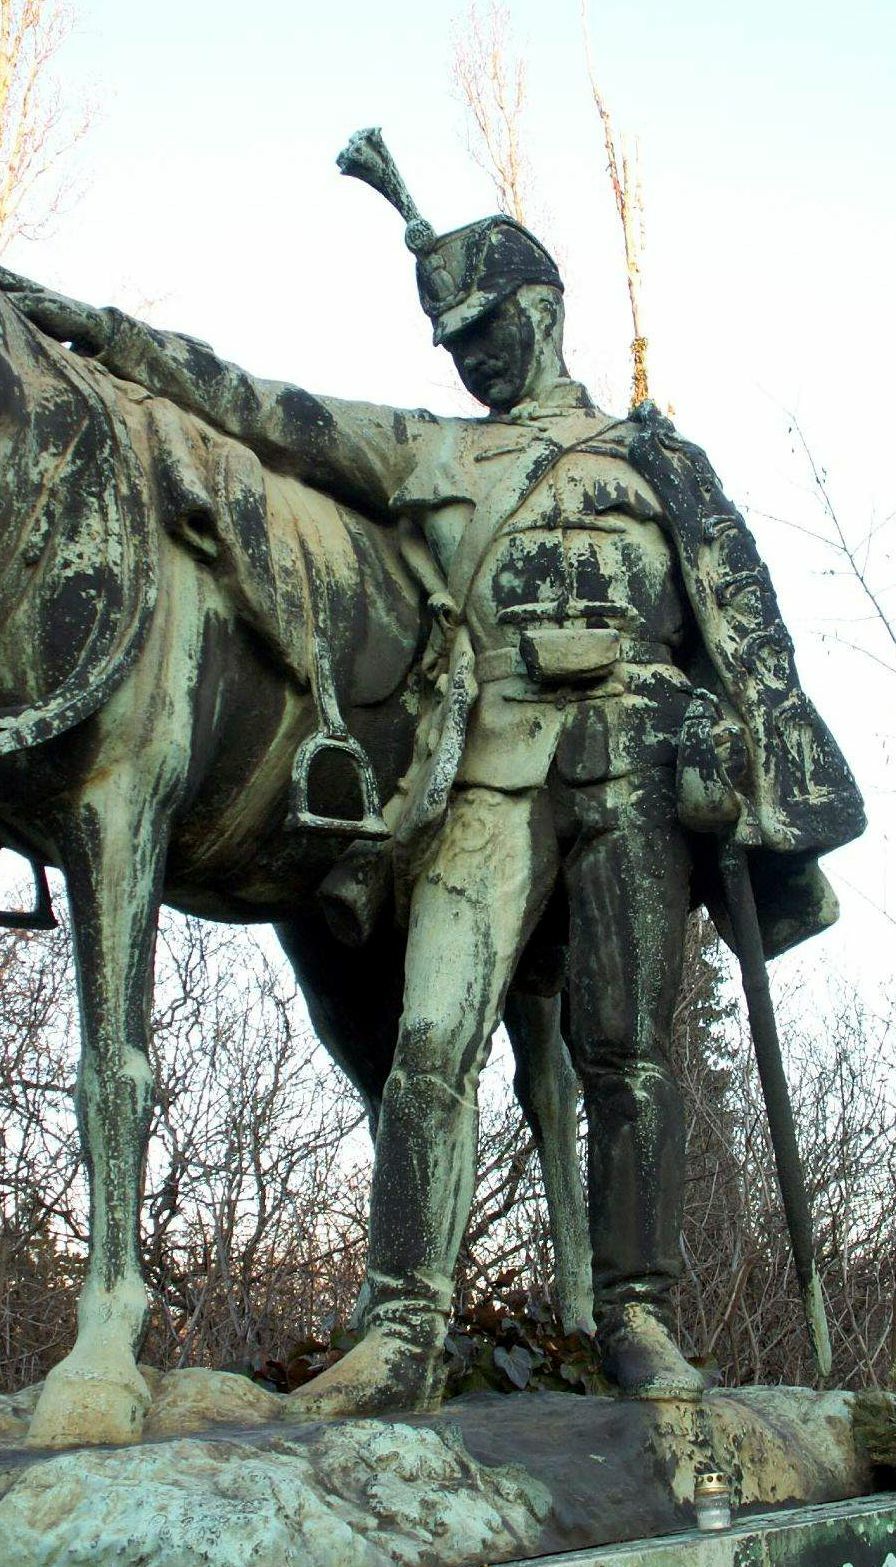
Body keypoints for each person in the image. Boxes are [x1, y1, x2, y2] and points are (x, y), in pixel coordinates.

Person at [1, 129, 863, 1415]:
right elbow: (261, 407)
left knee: (625, 1053)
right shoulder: (433, 452)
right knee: (428, 1038)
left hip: (634, 761)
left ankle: (636, 1316)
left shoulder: (654, 458)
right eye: (455, 343)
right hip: (493, 771)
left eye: (487, 328)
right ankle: (402, 1325)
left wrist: (737, 760)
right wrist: (106, 333)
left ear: (542, 308)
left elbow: (746, 635)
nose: (473, 357)